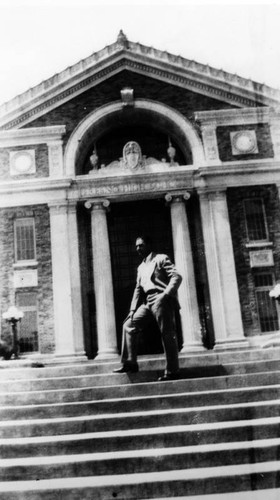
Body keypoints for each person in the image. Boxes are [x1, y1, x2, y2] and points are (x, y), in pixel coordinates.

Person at [114, 235, 182, 381]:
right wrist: (132, 310)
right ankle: (130, 363)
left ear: (149, 245)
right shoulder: (141, 267)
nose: (138, 248)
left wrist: (166, 294)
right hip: (147, 301)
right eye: (137, 246)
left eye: (141, 245)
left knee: (167, 334)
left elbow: (176, 276)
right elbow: (138, 289)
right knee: (128, 325)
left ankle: (172, 371)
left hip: (161, 298)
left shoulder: (161, 258)